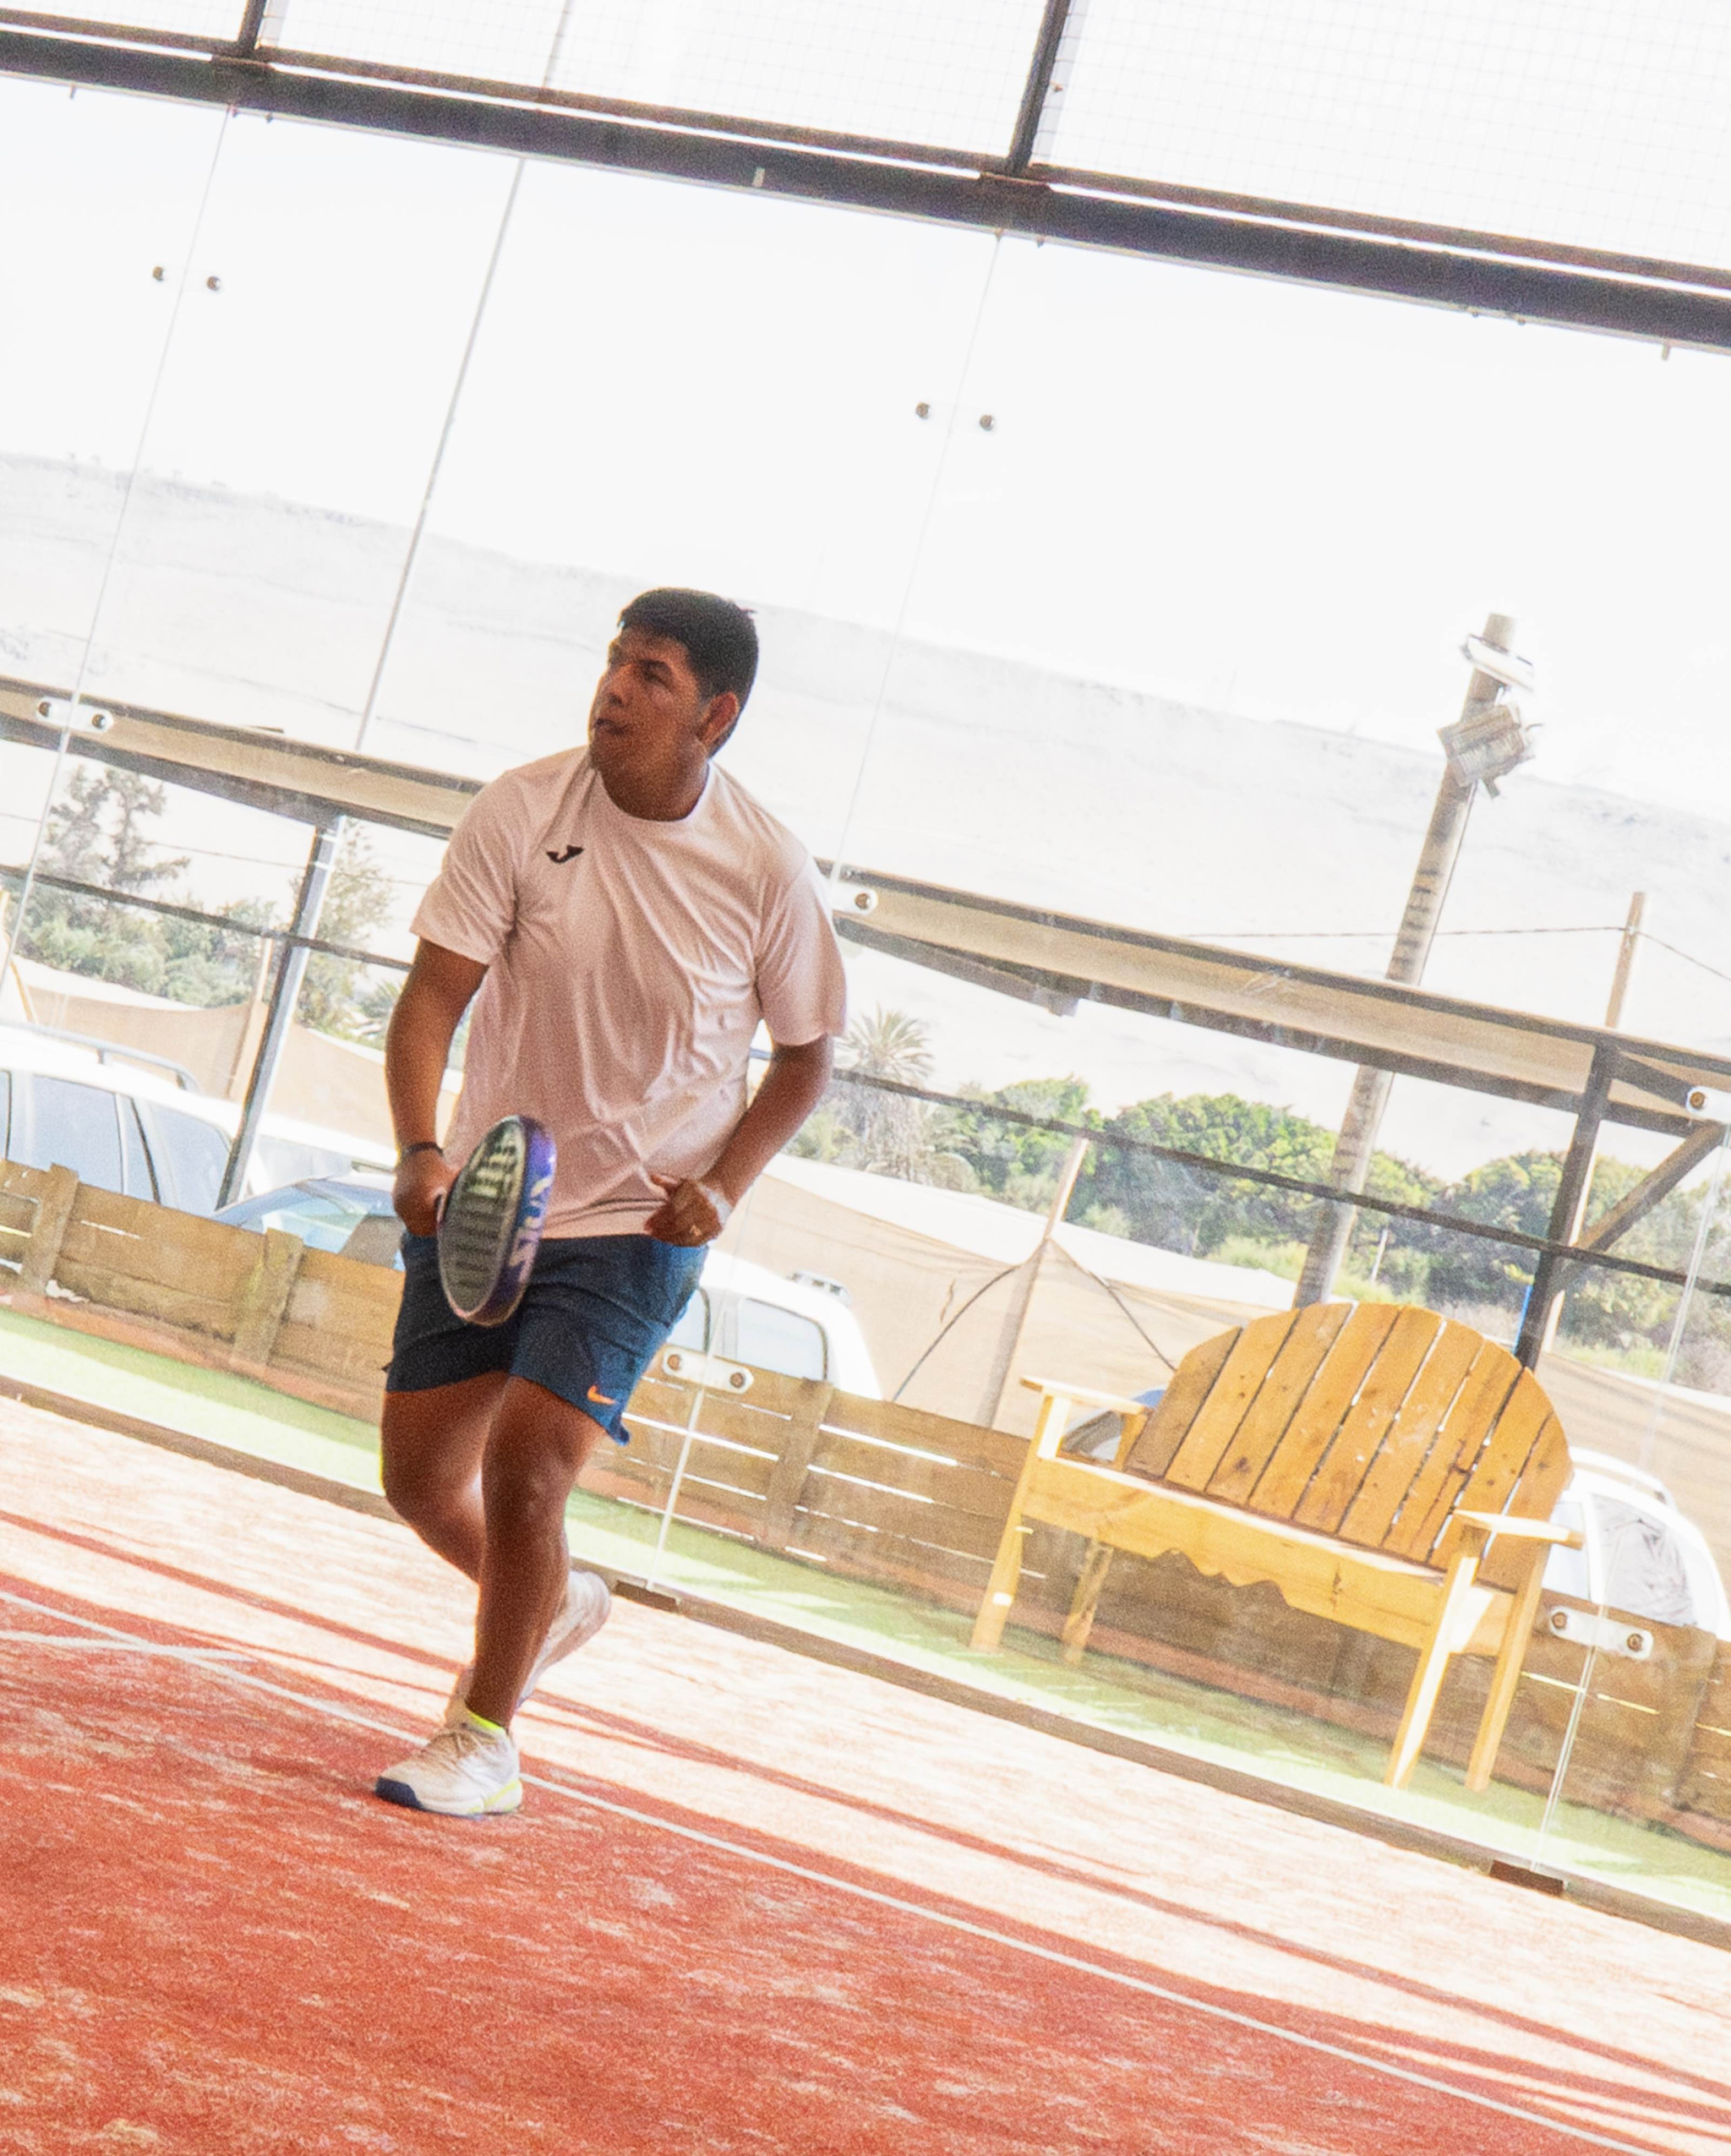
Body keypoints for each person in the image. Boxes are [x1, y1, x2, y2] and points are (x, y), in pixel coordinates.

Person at [374, 588, 845, 1816]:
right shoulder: (521, 809)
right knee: (419, 1483)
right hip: (491, 1196)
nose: (616, 689)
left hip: (636, 1225)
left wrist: (723, 1187)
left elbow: (806, 1057)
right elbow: (432, 999)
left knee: (530, 1465)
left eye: (652, 675)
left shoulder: (767, 868)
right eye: (614, 662)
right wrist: (420, 1148)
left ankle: (483, 1737)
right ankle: (557, 1602)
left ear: (715, 717)